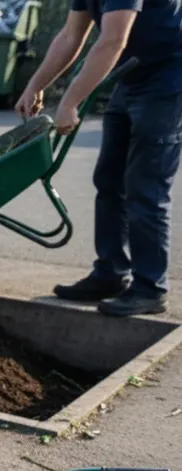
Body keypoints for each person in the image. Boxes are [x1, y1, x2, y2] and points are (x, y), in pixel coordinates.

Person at [15, 0, 182, 316]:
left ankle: (150, 288)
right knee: (109, 180)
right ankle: (110, 273)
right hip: (130, 76)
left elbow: (113, 40)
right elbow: (70, 36)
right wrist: (35, 85)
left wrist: (69, 102)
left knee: (146, 187)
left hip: (168, 79)